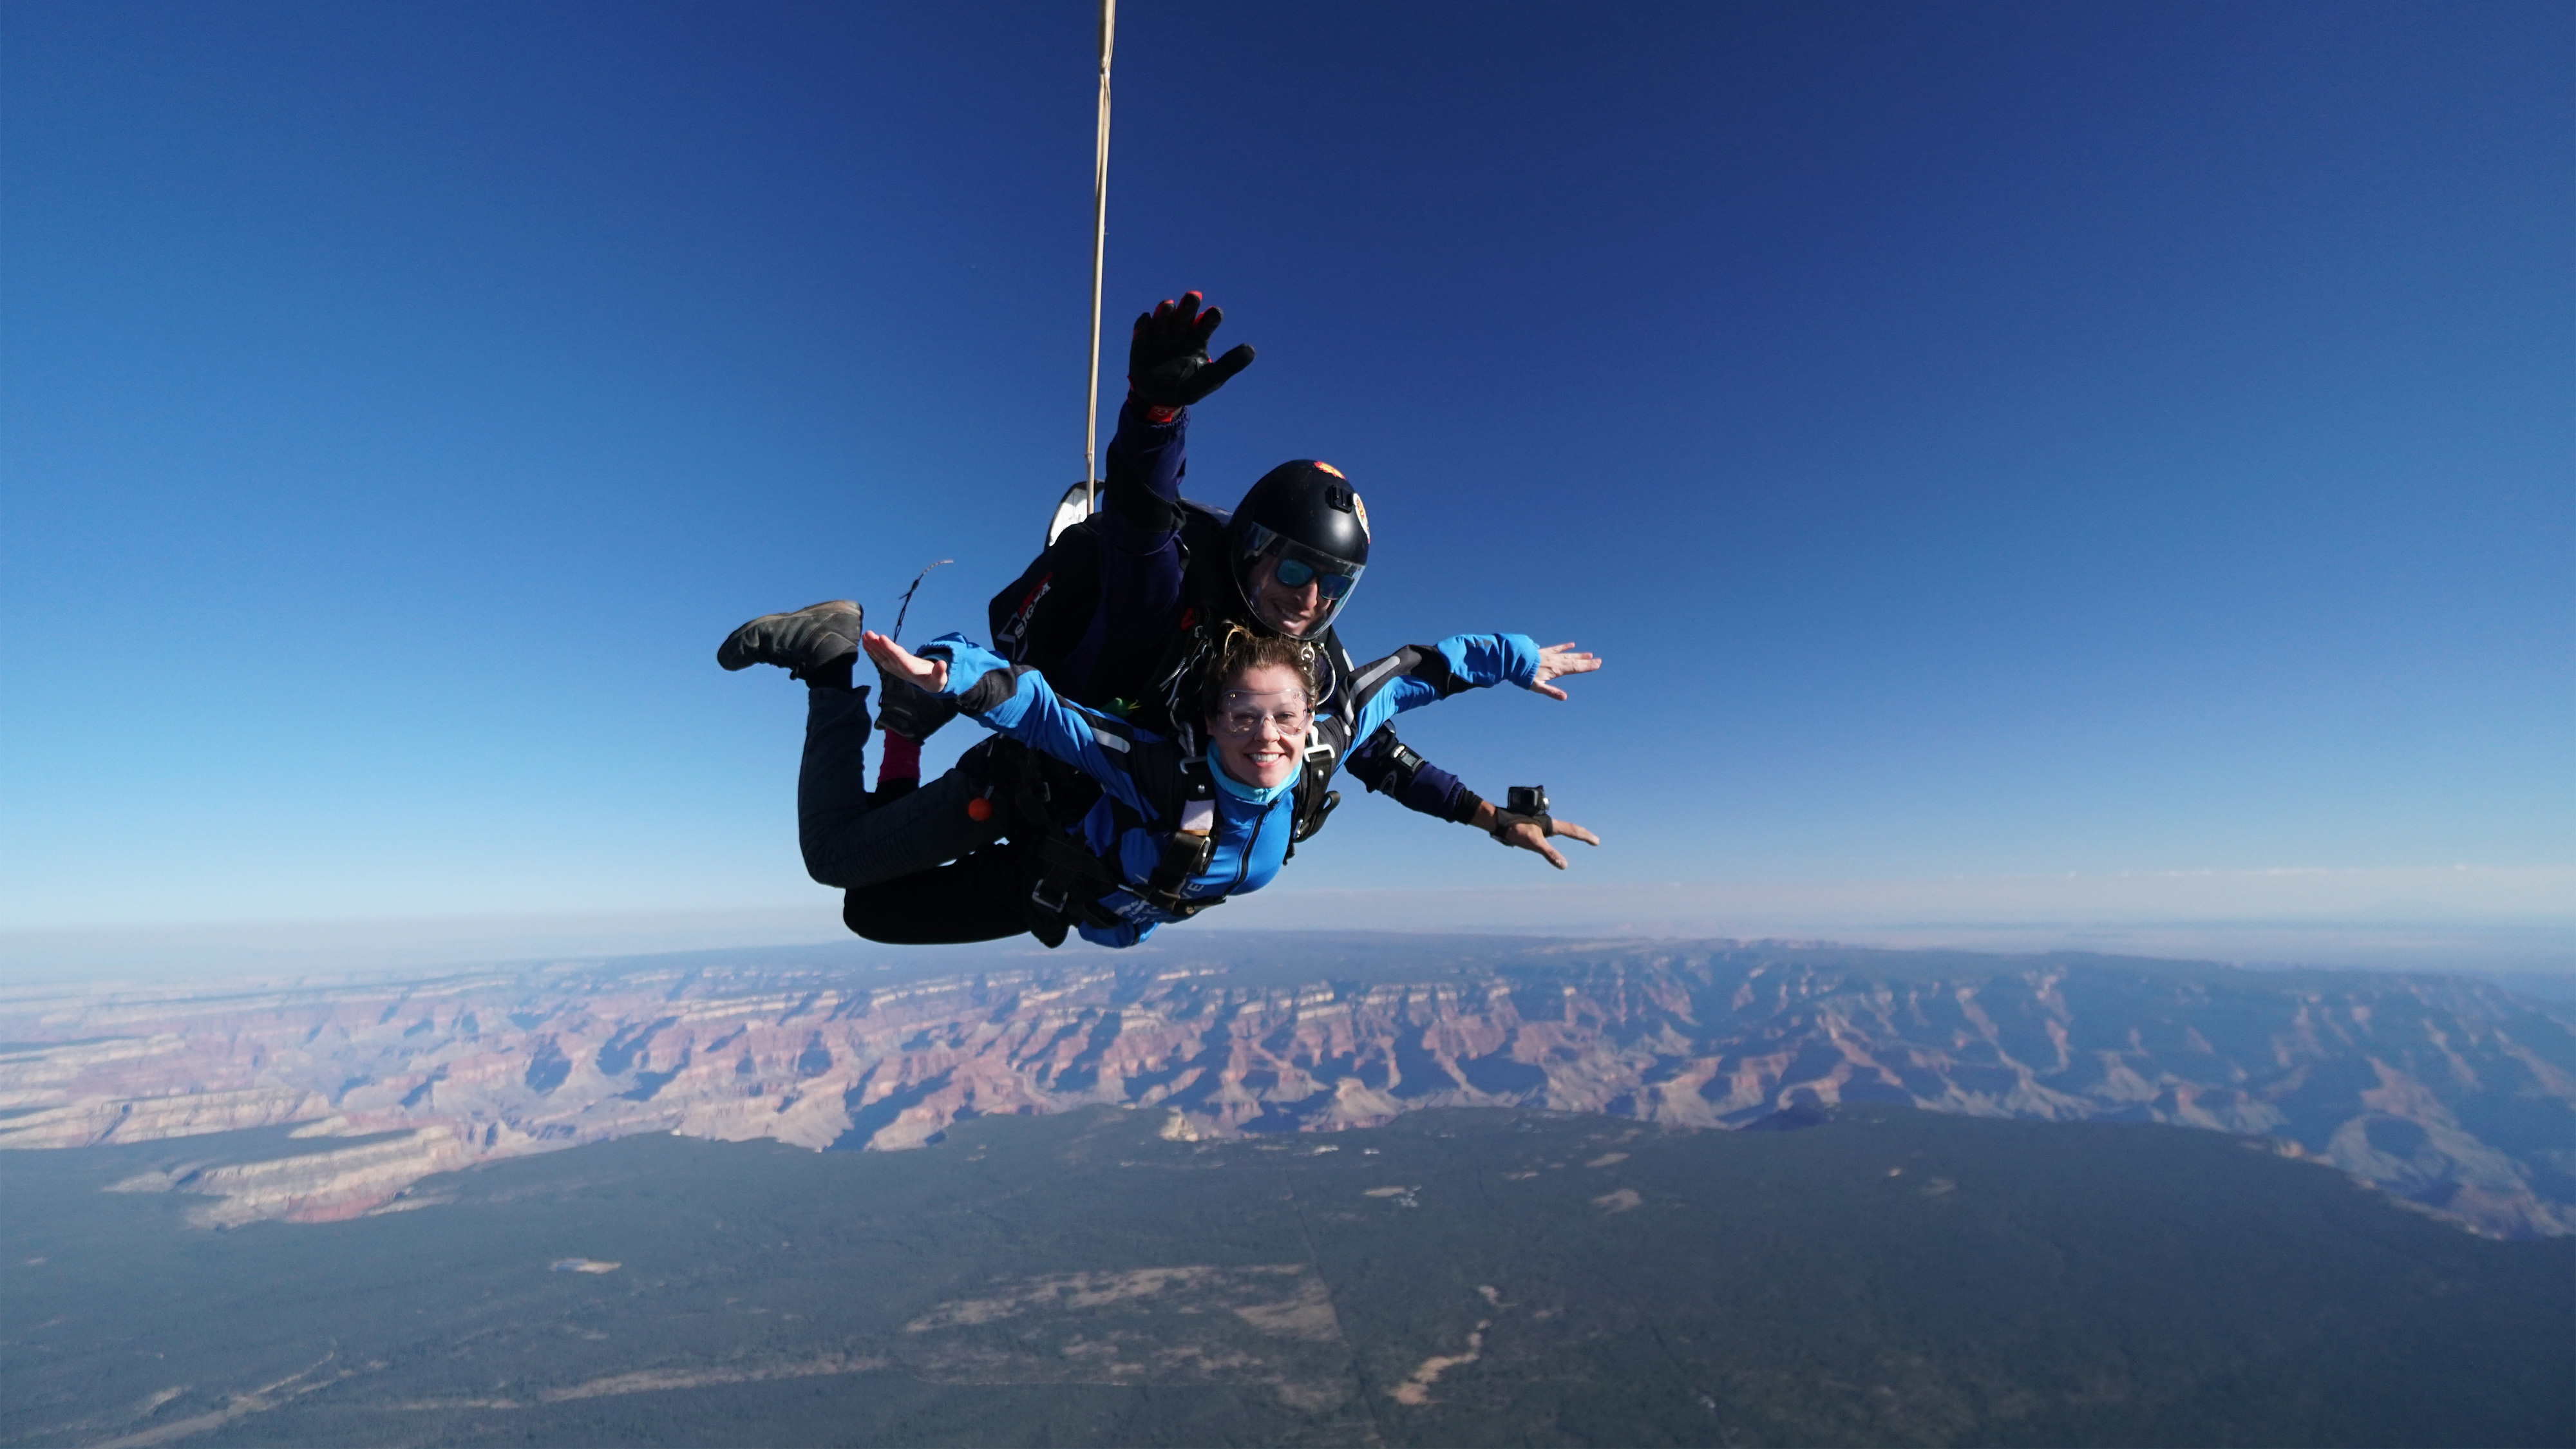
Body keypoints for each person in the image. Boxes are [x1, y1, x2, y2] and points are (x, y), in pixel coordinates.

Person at [843, 621, 1553, 947]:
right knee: (867, 910)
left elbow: (1416, 674)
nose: (1267, 734)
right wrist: (948, 674)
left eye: (1285, 715)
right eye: (1243, 714)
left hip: (1103, 919)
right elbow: (1042, 711)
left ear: (1311, 719)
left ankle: (901, 740)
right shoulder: (1152, 771)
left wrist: (1518, 659)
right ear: (1212, 721)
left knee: (869, 910)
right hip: (1049, 878)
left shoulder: (1319, 752)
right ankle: (895, 726)